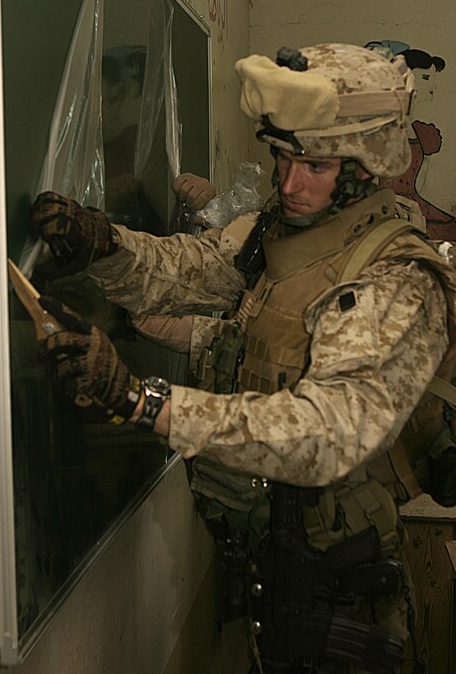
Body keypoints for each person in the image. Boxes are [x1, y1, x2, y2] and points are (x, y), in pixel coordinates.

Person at [29, 44, 456, 673]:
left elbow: (328, 433)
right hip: (269, 561)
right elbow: (190, 270)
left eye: (313, 165)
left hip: (340, 587)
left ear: (365, 167)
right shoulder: (278, 232)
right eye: (282, 157)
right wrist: (104, 245)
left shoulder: (395, 278)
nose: (289, 183)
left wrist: (142, 402)